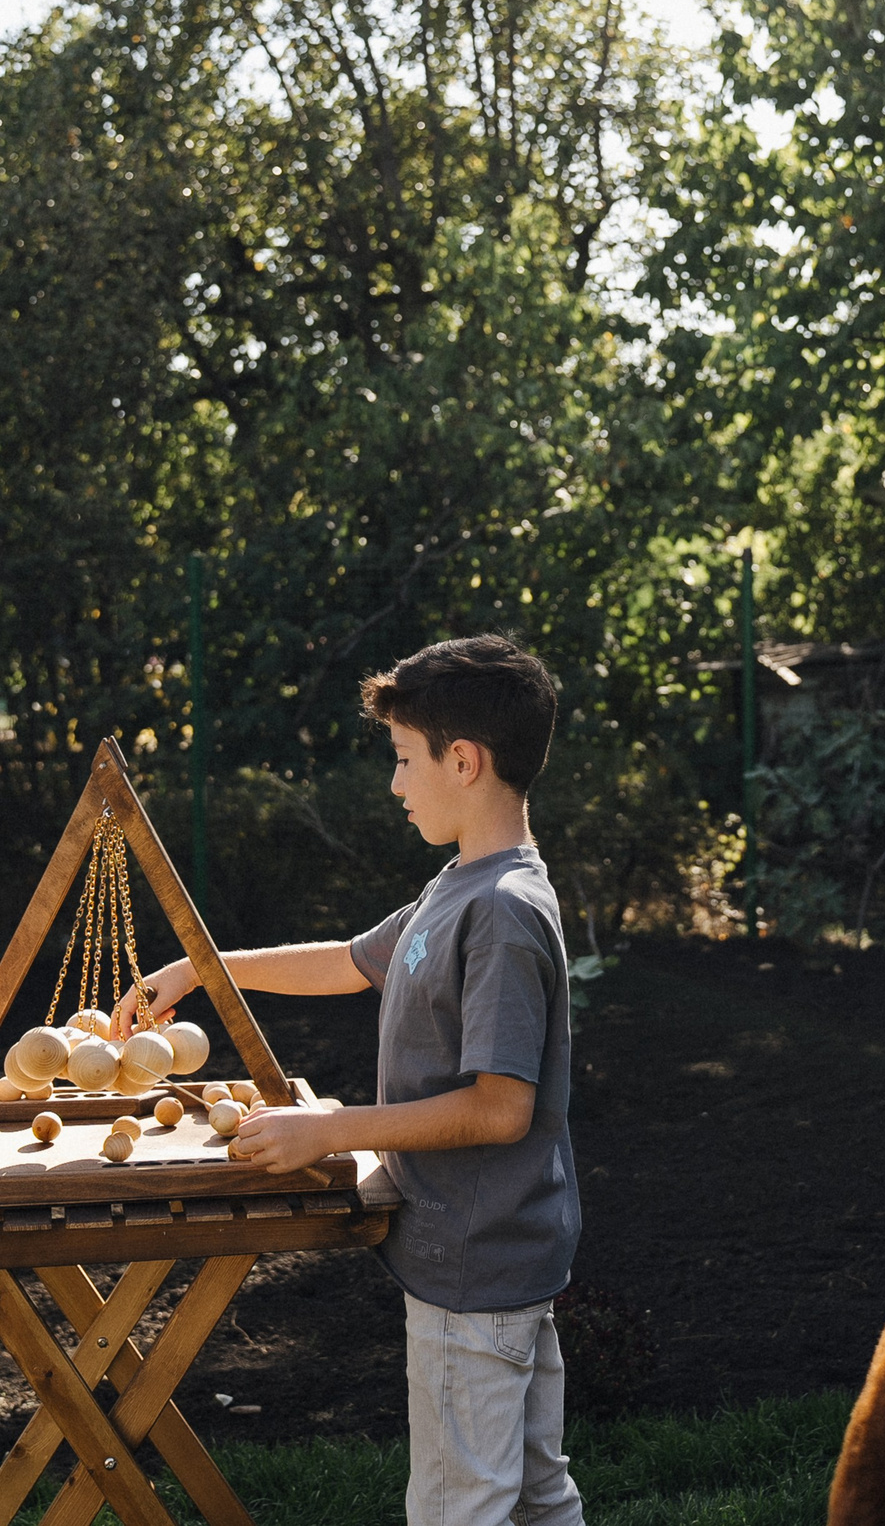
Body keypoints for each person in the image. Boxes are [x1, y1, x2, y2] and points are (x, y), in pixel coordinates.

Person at [117, 634, 583, 1526]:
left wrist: (327, 1131)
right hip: (496, 1254)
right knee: (530, 1495)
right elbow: (350, 961)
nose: (397, 783)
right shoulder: (460, 884)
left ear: (464, 760)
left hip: (475, 1263)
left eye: (406, 760)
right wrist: (201, 969)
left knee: (462, 1506)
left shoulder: (503, 913)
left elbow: (500, 1108)